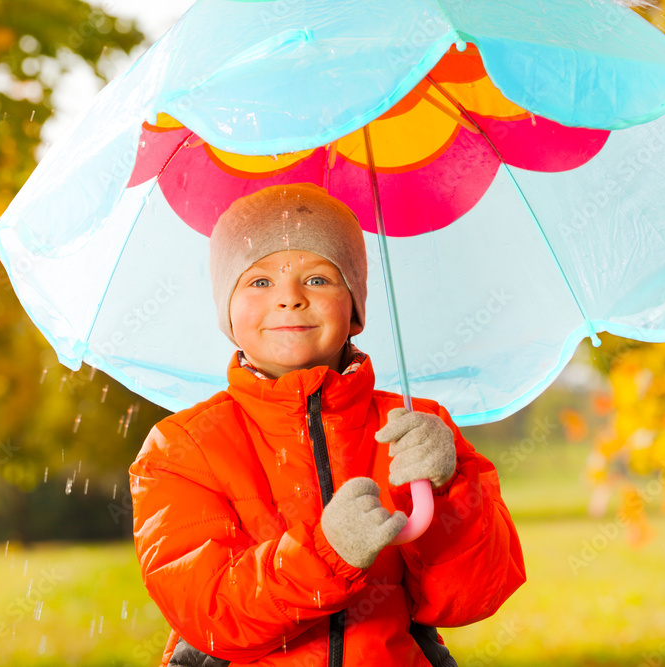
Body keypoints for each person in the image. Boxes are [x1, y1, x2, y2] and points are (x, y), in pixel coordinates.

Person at [129, 183, 526, 666]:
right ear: (227, 313)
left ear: (355, 308)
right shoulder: (181, 448)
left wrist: (449, 490)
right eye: (259, 282)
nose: (290, 298)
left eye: (317, 279)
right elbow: (210, 611)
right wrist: (326, 553)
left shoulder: (414, 426)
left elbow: (470, 598)